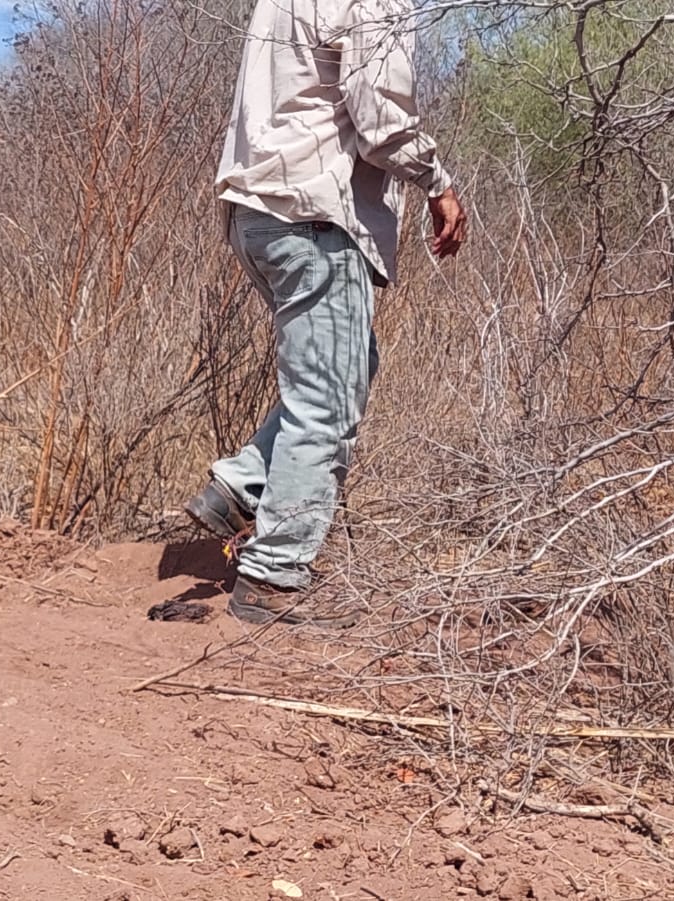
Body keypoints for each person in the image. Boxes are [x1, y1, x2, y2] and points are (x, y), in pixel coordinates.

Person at [184, 0, 467, 625]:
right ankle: (273, 578)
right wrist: (438, 182)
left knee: (345, 369)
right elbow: (380, 118)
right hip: (314, 216)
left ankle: (243, 486)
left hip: (256, 212)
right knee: (327, 404)